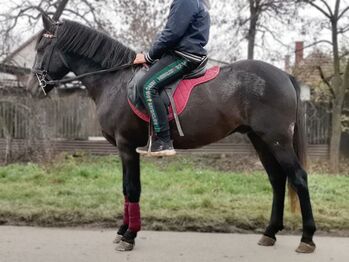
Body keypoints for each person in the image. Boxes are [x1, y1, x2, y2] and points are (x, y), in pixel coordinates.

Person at [134, 0, 211, 157]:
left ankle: (164, 141)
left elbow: (172, 34)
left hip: (184, 56)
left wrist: (149, 56)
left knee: (146, 86)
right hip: (186, 52)